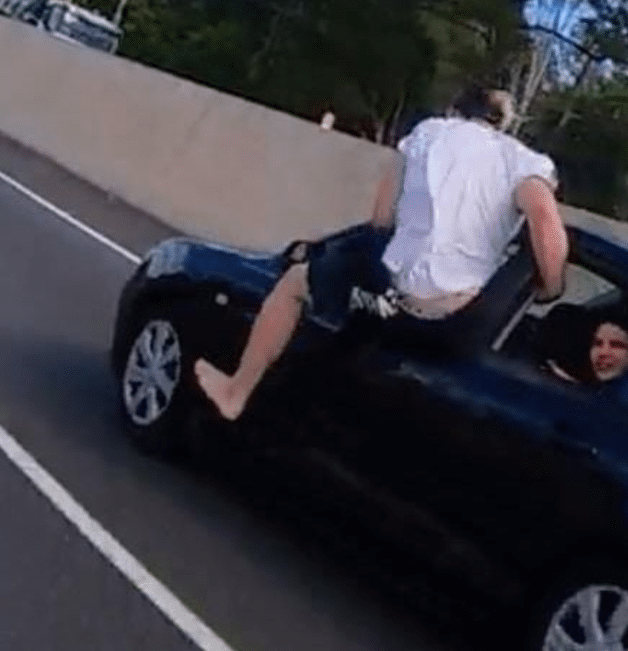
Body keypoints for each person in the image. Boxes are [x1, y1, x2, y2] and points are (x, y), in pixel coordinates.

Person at [194, 85, 570, 420]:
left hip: (401, 304)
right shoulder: (523, 161)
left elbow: (381, 220)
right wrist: (550, 288)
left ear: (454, 111)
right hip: (460, 318)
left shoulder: (425, 135)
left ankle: (236, 392)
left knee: (295, 282)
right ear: (501, 124)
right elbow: (545, 220)